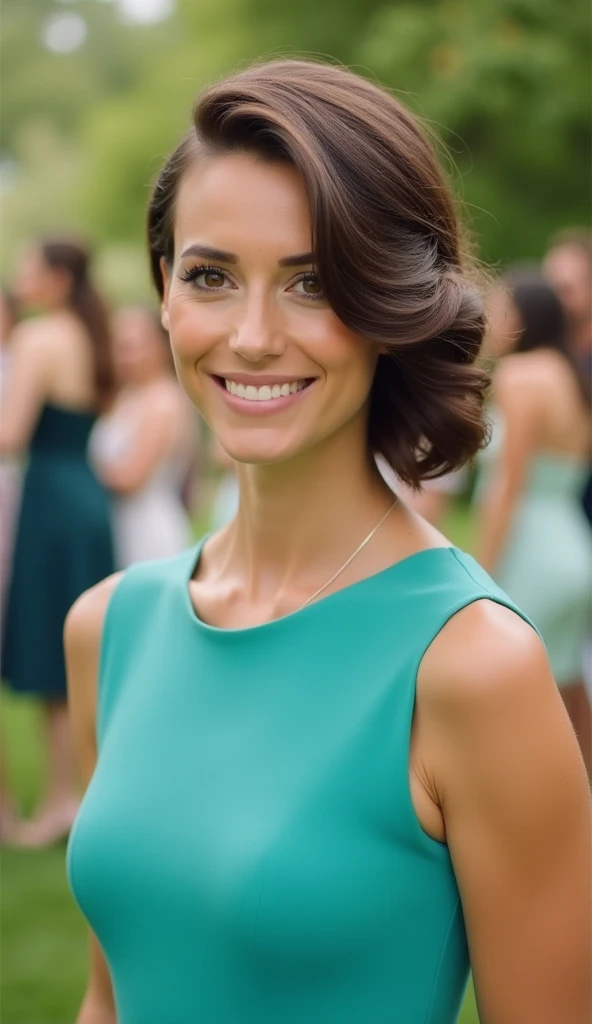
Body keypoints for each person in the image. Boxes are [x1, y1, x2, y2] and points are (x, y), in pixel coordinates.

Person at [65, 61, 590, 1024]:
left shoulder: (473, 667)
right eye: (211, 276)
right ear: (165, 296)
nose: (254, 335)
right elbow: (108, 998)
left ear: (393, 305)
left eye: (312, 283)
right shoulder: (109, 625)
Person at [0, 238, 115, 847]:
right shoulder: (89, 334)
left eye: (27, 266)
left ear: (57, 278)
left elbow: (12, 432)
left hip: (48, 498)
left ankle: (59, 802)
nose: (20, 277)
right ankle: (76, 795)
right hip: (85, 494)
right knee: (81, 651)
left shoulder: (37, 337)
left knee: (51, 650)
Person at [476, 267, 592, 769]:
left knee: (505, 689)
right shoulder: (573, 375)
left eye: (502, 309)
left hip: (531, 551)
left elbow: (508, 483)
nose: (493, 320)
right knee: (567, 685)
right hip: (574, 544)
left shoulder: (520, 376)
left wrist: (479, 569)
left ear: (526, 317)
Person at [89, 305, 195, 568]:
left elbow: (132, 477)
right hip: (115, 524)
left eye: (132, 346)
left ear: (160, 345)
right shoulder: (125, 395)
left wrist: (71, 469)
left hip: (147, 529)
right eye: (119, 346)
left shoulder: (164, 400)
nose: (124, 356)